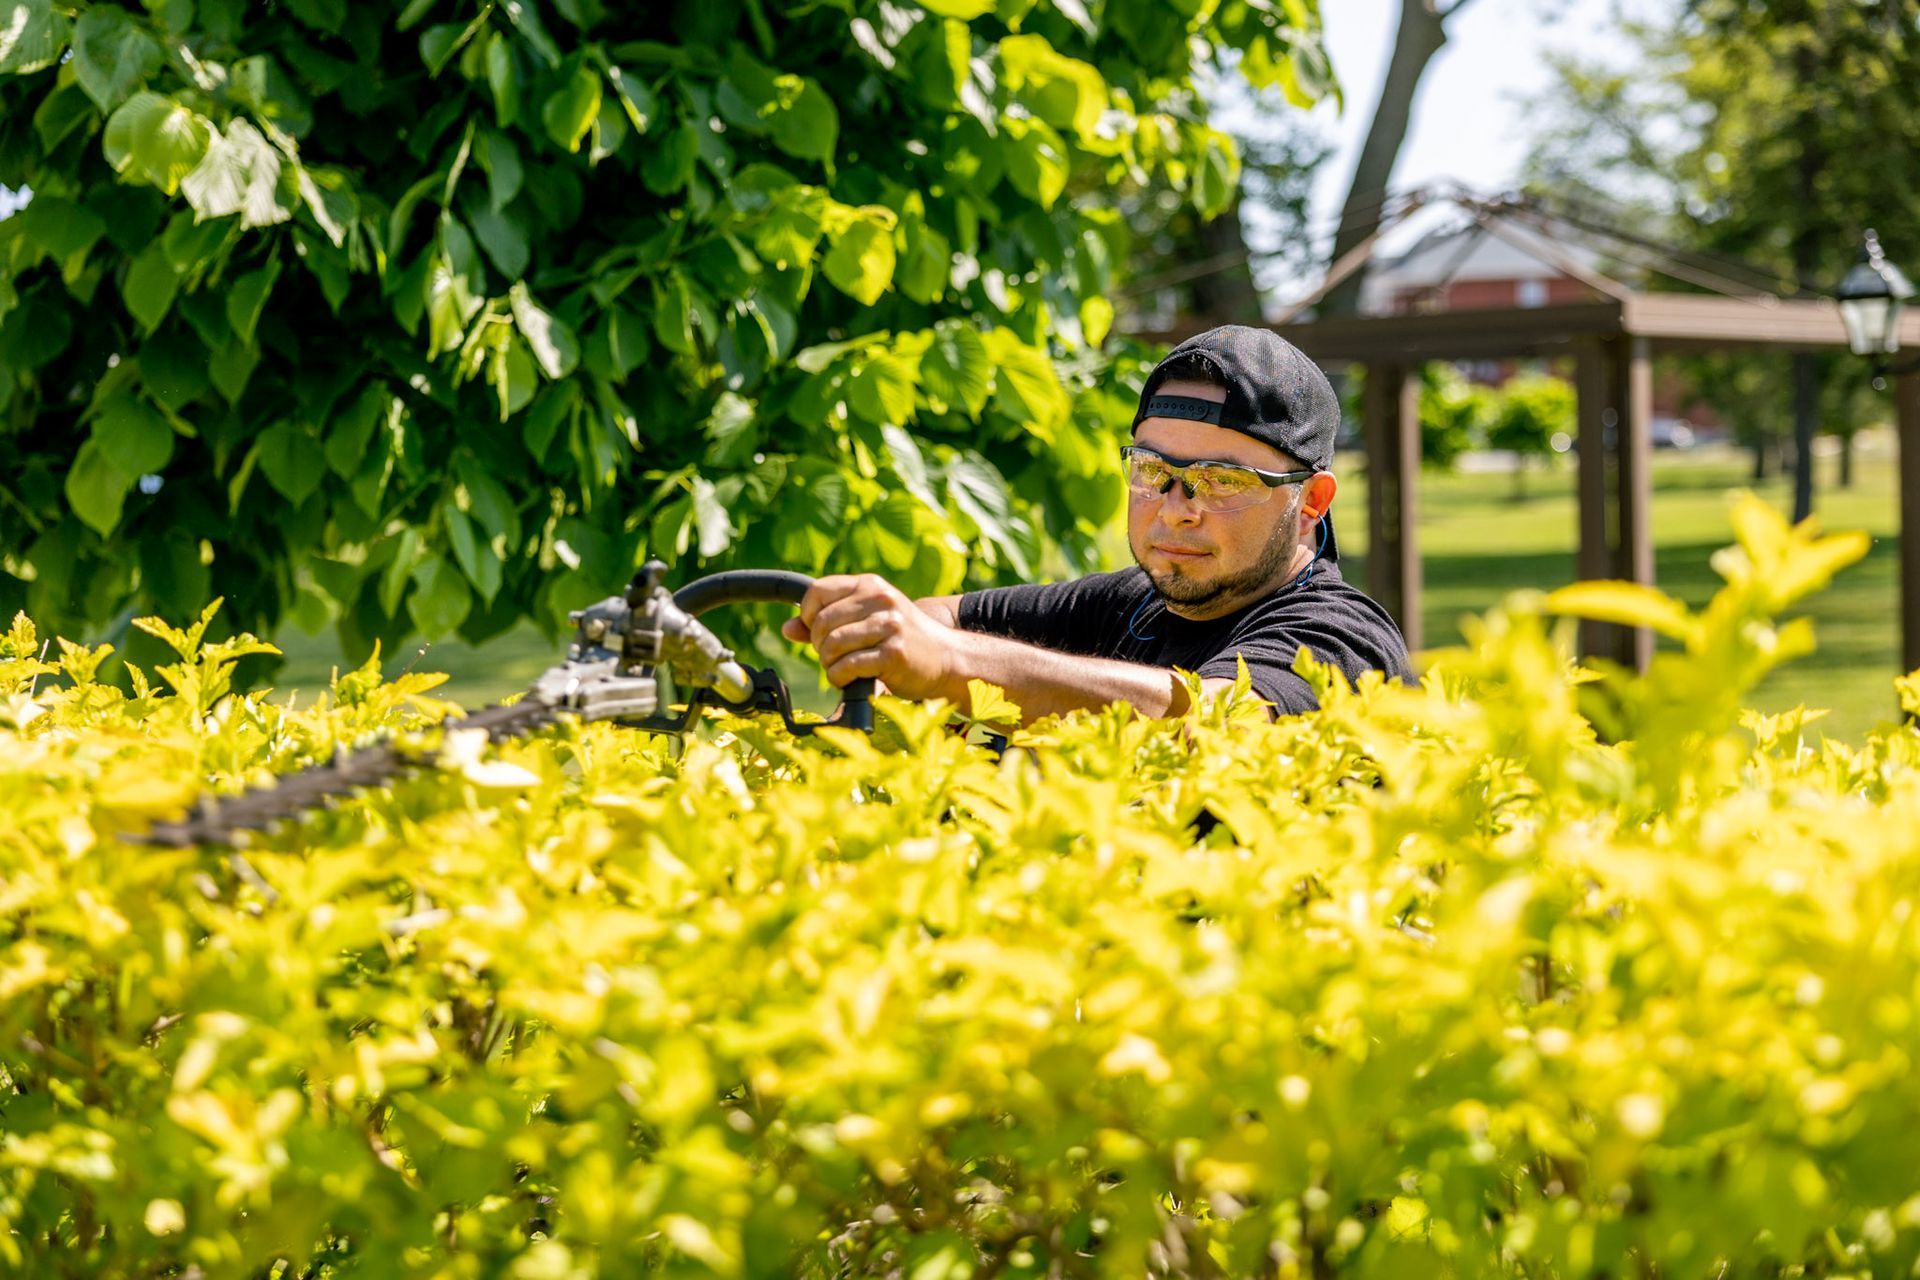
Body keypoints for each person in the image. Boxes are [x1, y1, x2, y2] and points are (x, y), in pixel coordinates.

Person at [780, 325, 1414, 723]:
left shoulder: (1339, 638)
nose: (1175, 506)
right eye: (1151, 469)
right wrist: (889, 648)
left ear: (1311, 502)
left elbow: (1211, 718)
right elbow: (940, 618)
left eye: (1222, 480)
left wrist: (948, 664)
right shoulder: (1128, 605)